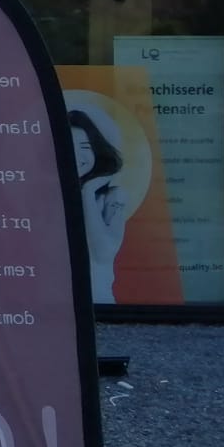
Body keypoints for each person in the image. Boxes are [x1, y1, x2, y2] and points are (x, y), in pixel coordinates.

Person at [70, 107, 127, 303]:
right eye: (68, 147)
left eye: (85, 148)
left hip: (100, 306)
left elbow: (103, 253)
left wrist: (87, 194)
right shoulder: (42, 199)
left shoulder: (112, 197)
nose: (76, 157)